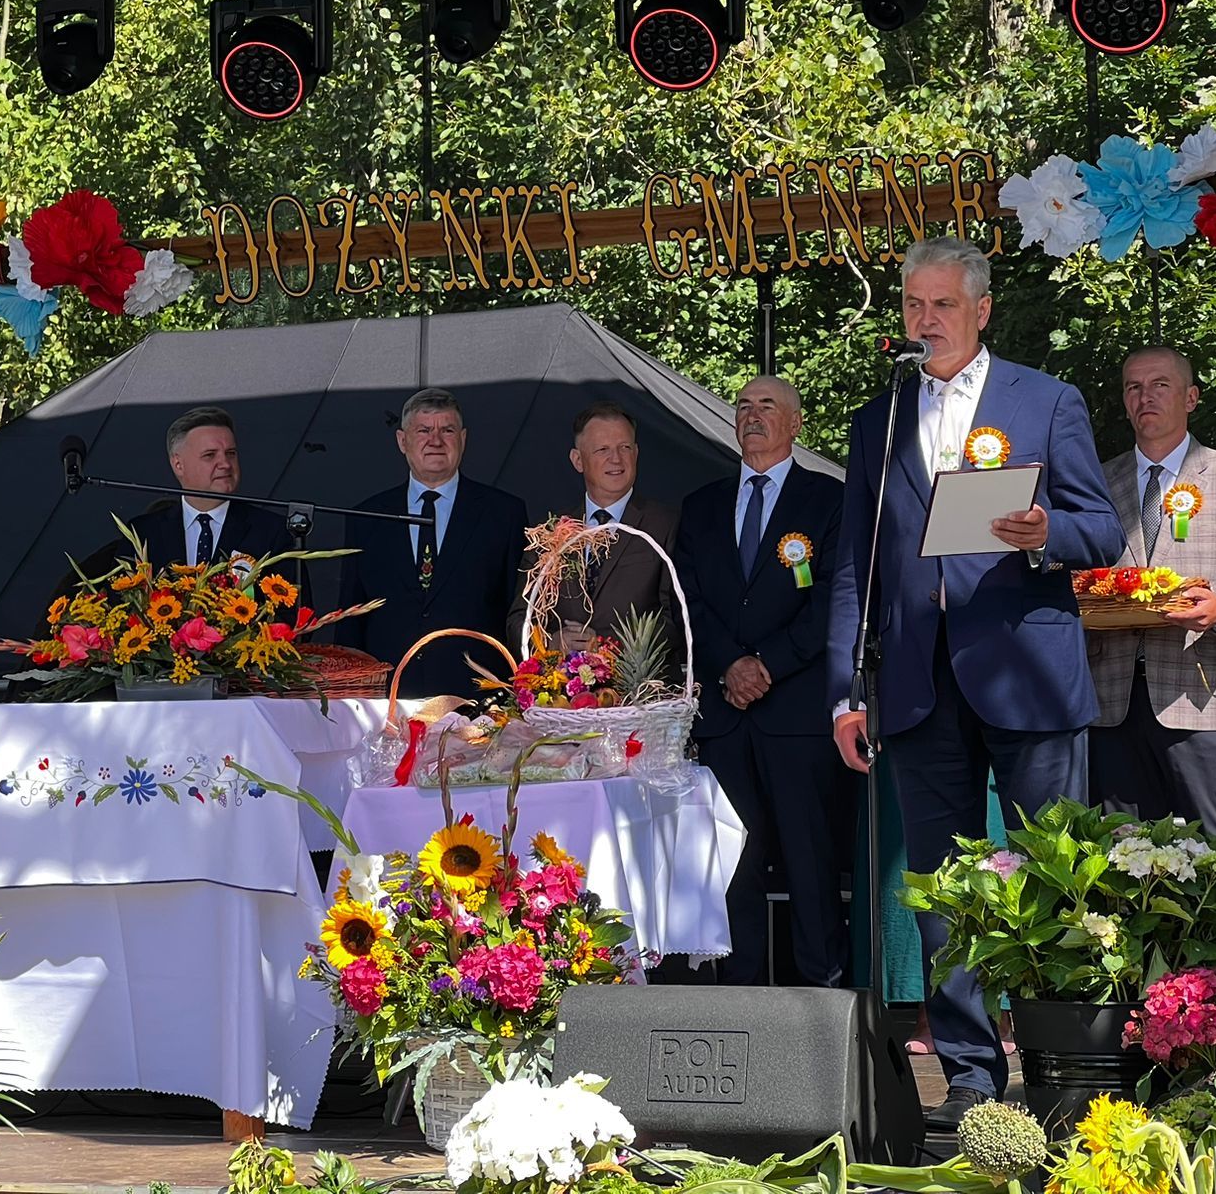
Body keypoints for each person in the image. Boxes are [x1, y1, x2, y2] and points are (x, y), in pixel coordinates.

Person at [826, 235, 1123, 1129]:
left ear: (982, 310)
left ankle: (1068, 1063)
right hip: (916, 684)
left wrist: (1046, 534)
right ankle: (968, 1076)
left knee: (1051, 873)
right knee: (942, 888)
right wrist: (848, 689)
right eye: (914, 306)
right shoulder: (880, 418)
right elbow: (854, 566)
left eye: (943, 305)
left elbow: (1102, 531)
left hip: (1025, 671)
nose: (926, 321)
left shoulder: (1047, 399)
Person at [676, 376, 850, 988]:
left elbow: (833, 599)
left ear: (796, 423)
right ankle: (738, 997)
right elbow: (688, 600)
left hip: (797, 710)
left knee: (809, 860)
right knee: (732, 862)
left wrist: (768, 663)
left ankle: (823, 998)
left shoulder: (829, 500)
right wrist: (729, 665)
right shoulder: (699, 504)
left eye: (767, 406)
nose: (753, 416)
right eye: (744, 407)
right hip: (724, 714)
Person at [1087, 346, 1216, 861]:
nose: (1145, 397)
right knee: (1123, 873)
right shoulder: (1096, 482)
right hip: (1111, 704)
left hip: (1205, 696)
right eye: (1133, 387)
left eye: (1160, 385)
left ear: (1191, 397)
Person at [336, 388, 528, 697]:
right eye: (423, 430)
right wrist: (350, 695)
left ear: (463, 439)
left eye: (447, 430)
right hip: (387, 699)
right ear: (402, 441)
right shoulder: (367, 516)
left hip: (479, 698)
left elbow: (518, 610)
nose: (435, 440)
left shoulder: (504, 513)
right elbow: (350, 616)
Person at [533, 402, 680, 659]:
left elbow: (679, 618)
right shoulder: (551, 530)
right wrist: (550, 642)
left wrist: (605, 646)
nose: (616, 459)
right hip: (561, 693)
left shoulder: (667, 524)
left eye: (624, 448)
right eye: (603, 449)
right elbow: (520, 616)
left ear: (636, 453)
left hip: (642, 693)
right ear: (578, 460)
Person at [125, 406, 292, 568]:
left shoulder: (271, 532)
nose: (226, 464)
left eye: (231, 453)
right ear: (178, 464)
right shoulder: (142, 534)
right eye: (210, 455)